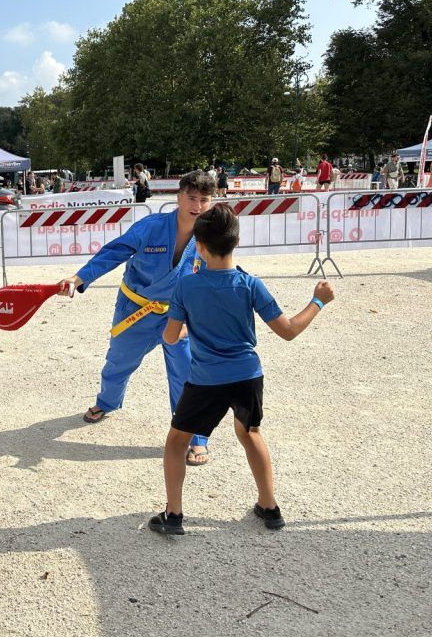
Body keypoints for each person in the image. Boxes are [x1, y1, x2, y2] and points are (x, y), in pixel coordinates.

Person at [149, 204, 335, 535]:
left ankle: (174, 515)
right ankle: (270, 506)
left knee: (177, 441)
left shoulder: (186, 287)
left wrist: (191, 324)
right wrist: (318, 301)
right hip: (248, 376)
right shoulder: (250, 284)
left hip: (206, 381)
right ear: (235, 242)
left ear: (200, 247)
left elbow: (171, 336)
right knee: (249, 433)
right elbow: (289, 330)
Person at [57, 171, 217, 466]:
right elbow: (114, 253)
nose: (197, 205)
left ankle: (195, 437)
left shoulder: (211, 235)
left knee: (187, 373)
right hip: (136, 309)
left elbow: (215, 278)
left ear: (212, 202)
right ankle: (107, 402)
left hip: (177, 314)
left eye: (203, 199)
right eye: (191, 197)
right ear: (179, 197)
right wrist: (79, 277)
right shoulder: (152, 227)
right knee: (118, 360)